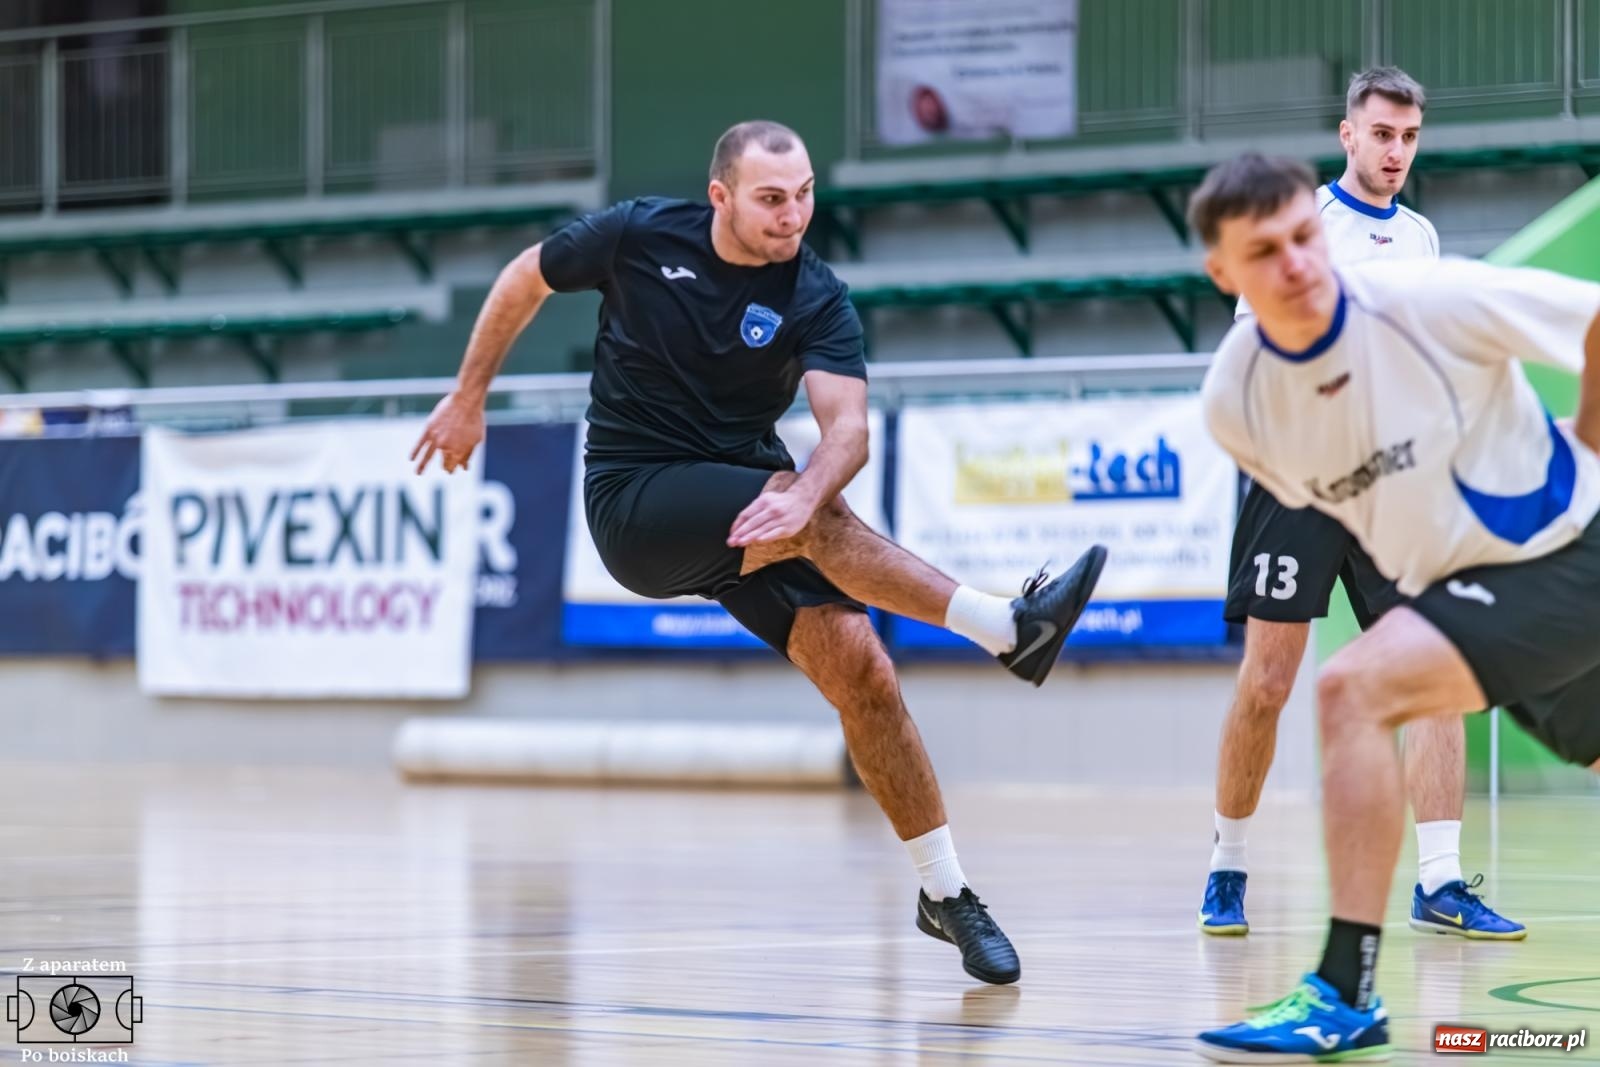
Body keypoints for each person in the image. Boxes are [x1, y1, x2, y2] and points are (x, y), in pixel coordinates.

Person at [410, 119, 1108, 986]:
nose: (792, 215)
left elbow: (846, 427)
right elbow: (526, 276)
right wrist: (470, 395)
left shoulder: (814, 292)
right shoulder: (637, 234)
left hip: (749, 503)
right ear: (722, 197)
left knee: (865, 671)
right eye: (772, 199)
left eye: (805, 195)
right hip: (637, 501)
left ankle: (947, 894)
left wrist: (812, 494)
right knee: (797, 502)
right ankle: (1006, 626)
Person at [1188, 152, 1600, 1062]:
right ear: (1225, 275)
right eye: (1266, 251)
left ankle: (1344, 989)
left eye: (1306, 236)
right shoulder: (1235, 401)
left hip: (1573, 548)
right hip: (1494, 584)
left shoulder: (1425, 298)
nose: (1297, 262)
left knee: (1353, 691)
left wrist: (1590, 443)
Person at [1202, 67, 1522, 942]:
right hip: (1296, 482)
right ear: (1347, 134)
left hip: (1391, 488)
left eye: (1410, 137)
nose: (1397, 152)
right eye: (1382, 134)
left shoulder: (1419, 238)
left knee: (1435, 675)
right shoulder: (1298, 229)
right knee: (1268, 682)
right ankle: (1228, 861)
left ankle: (1441, 878)